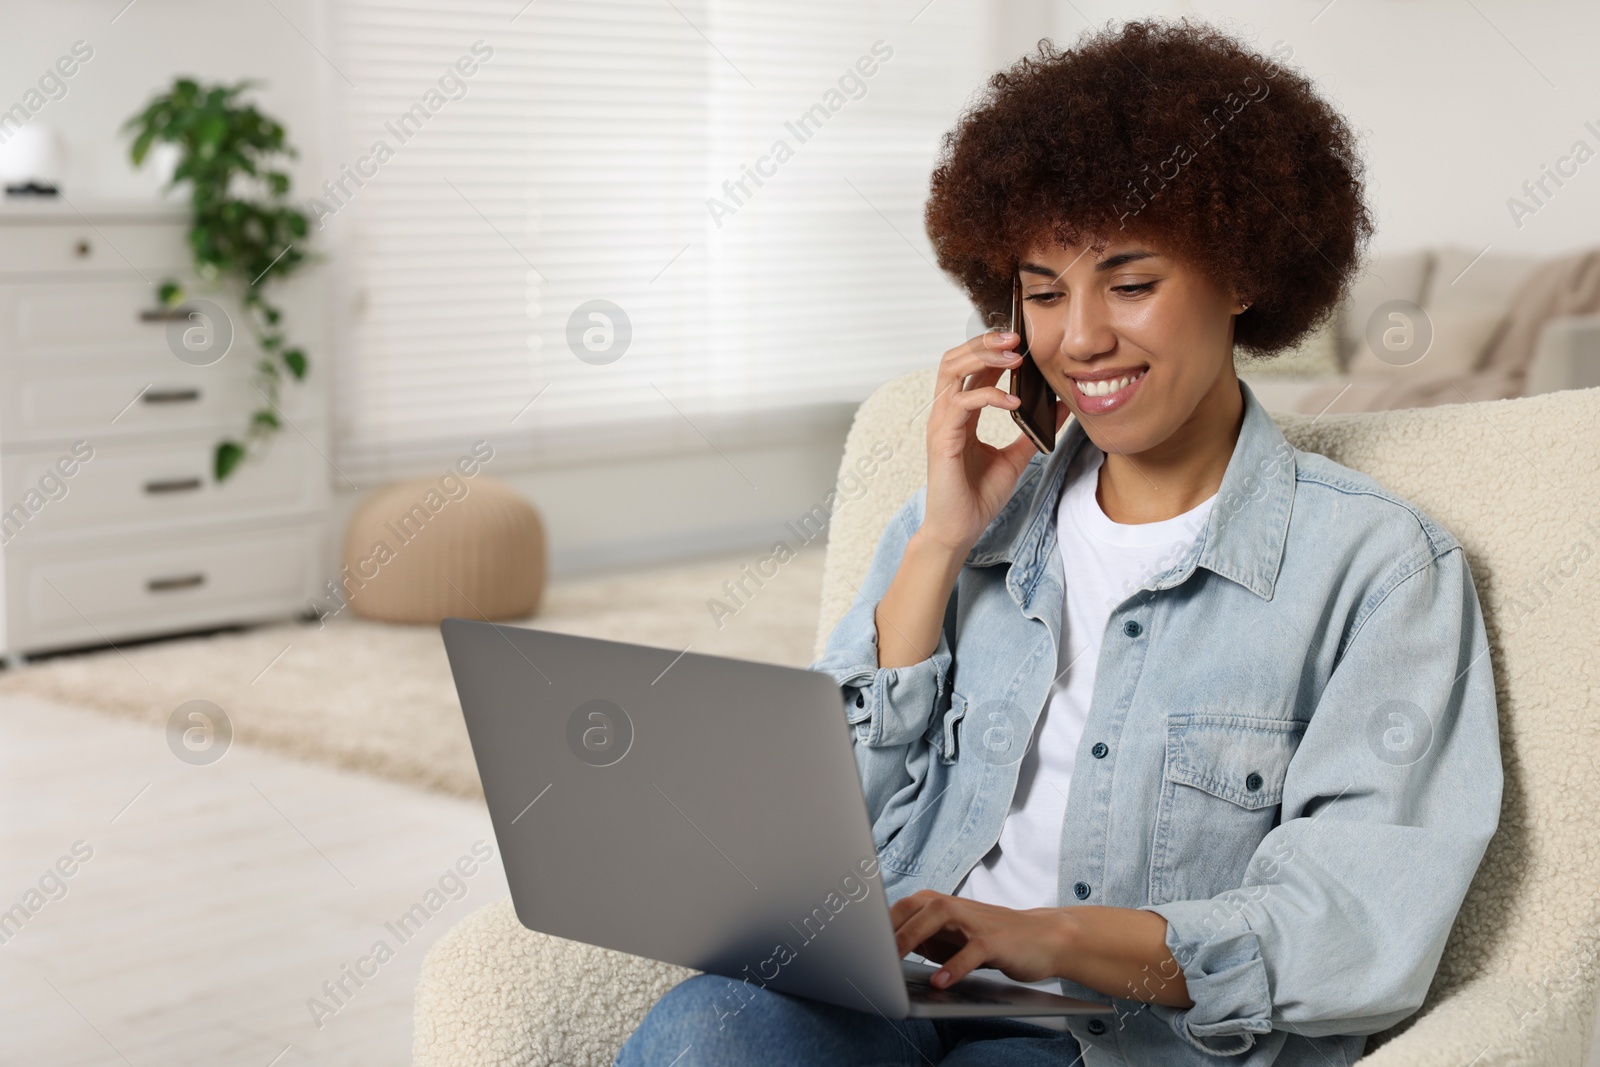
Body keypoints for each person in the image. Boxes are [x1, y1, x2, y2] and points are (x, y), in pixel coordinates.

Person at [616, 17, 1501, 1066]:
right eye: (1042, 291)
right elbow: (802, 838)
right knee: (704, 1028)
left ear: (1242, 276)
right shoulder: (959, 523)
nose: (1077, 337)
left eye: (1129, 284)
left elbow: (1355, 918)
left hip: (1105, 1032)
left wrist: (1046, 938)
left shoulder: (1377, 568)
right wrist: (941, 541)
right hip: (889, 989)